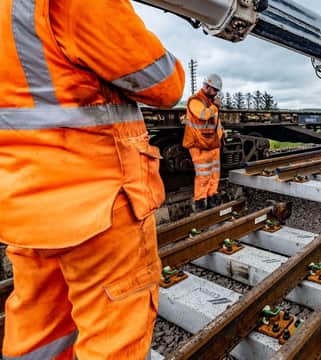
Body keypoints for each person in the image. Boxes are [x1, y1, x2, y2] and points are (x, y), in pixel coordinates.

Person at [0, 1, 185, 358]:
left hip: (24, 203)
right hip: (98, 204)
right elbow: (165, 84)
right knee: (115, 336)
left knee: (39, 333)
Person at [183, 74, 226, 211]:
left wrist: (221, 132)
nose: (216, 94)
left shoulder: (210, 102)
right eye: (214, 90)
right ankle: (200, 203)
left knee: (214, 174)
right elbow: (204, 115)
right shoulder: (195, 100)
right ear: (207, 87)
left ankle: (212, 198)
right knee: (203, 176)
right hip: (200, 144)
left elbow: (214, 122)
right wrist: (215, 107)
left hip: (212, 144)